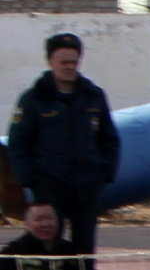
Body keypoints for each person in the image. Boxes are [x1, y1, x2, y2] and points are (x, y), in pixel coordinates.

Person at [6, 33, 119, 254]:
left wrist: (104, 172)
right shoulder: (33, 99)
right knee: (49, 247)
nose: (69, 67)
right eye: (64, 62)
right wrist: (30, 180)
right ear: (50, 62)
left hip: (87, 186)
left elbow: (109, 138)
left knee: (85, 249)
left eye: (74, 62)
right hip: (49, 186)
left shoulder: (93, 96)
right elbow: (19, 142)